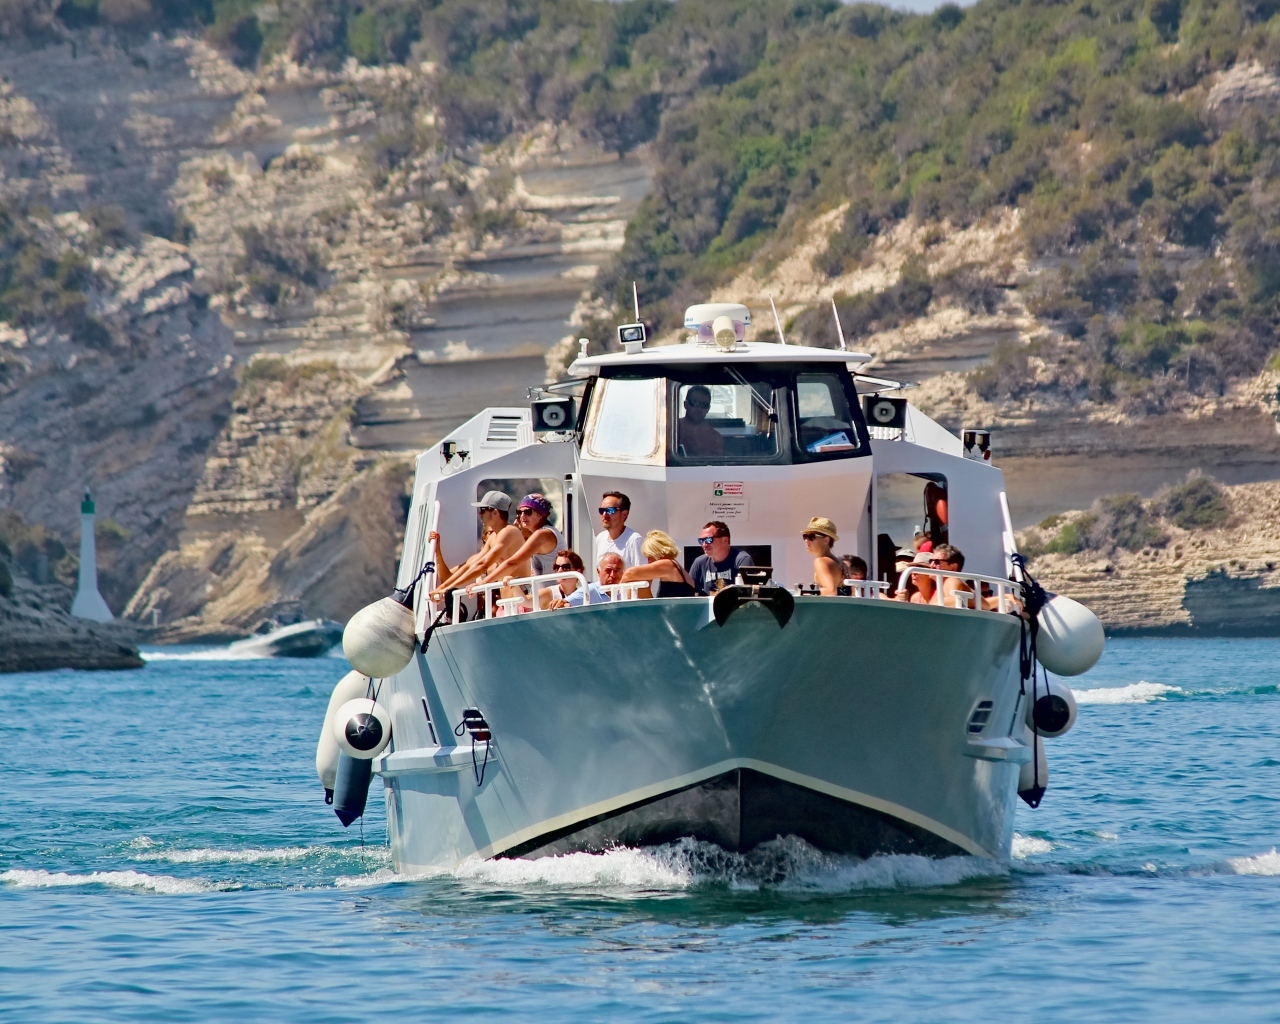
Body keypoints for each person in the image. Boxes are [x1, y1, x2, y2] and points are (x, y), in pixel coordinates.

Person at [429, 491, 524, 603]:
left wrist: (447, 589)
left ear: (495, 513)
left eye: (483, 510)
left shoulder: (509, 532)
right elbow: (471, 565)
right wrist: (442, 588)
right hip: (508, 602)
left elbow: (483, 565)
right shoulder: (494, 536)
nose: (480, 514)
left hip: (521, 598)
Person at [477, 493, 560, 587]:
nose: (522, 516)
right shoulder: (542, 533)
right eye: (520, 512)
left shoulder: (542, 534)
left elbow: (513, 562)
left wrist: (484, 583)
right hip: (543, 592)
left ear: (540, 515)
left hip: (550, 595)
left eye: (528, 512)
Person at [621, 530, 697, 597]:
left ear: (658, 552)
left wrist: (617, 589)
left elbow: (629, 573)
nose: (649, 561)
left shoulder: (668, 565)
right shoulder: (676, 567)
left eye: (650, 556)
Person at [689, 521, 754, 594]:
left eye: (708, 540)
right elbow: (690, 594)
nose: (704, 544)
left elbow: (748, 596)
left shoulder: (742, 560)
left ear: (725, 540)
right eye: (701, 541)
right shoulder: (699, 563)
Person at [594, 491, 644, 572]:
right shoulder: (600, 538)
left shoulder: (634, 540)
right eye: (601, 510)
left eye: (610, 510)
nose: (604, 514)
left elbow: (642, 575)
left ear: (624, 514)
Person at [553, 552, 623, 608]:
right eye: (608, 570)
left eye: (617, 570)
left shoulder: (627, 591)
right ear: (598, 572)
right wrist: (563, 603)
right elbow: (565, 603)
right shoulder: (590, 590)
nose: (613, 575)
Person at [677, 384, 725, 457]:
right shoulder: (672, 430)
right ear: (685, 404)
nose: (699, 409)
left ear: (708, 408)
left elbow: (719, 465)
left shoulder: (715, 438)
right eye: (694, 403)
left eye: (704, 405)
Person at [802, 517, 843, 596]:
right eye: (805, 536)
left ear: (826, 540)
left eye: (811, 537)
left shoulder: (821, 562)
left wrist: (805, 594)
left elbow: (831, 590)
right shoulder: (840, 563)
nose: (806, 540)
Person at [931, 544, 975, 609]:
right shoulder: (940, 588)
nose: (931, 565)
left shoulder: (952, 580)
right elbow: (985, 604)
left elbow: (954, 600)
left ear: (953, 567)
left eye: (937, 562)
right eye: (931, 561)